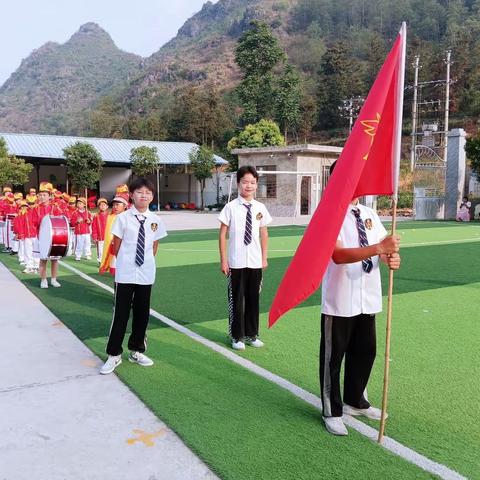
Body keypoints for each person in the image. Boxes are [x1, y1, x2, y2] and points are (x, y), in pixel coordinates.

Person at [319, 162, 401, 436]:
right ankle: (331, 410)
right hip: (340, 298)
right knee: (334, 358)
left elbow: (382, 248)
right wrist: (379, 247)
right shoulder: (329, 214)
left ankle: (355, 401)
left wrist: (390, 256)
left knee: (365, 352)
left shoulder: (369, 214)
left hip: (367, 296)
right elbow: (338, 255)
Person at [99, 177, 167, 375]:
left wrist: (143, 261)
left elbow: (154, 246)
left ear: (152, 196)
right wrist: (126, 262)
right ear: (131, 195)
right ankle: (114, 354)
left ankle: (137, 350)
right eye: (139, 192)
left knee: (142, 313)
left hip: (146, 273)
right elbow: (117, 244)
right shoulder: (123, 218)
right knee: (120, 313)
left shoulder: (156, 220)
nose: (143, 195)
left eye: (148, 193)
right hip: (126, 272)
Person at [218, 165, 272, 351]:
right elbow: (222, 234)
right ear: (238, 184)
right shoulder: (231, 207)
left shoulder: (260, 208)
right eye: (245, 182)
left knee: (253, 300)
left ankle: (251, 334)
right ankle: (237, 336)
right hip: (236, 262)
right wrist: (224, 260)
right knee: (237, 300)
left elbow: (264, 234)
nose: (248, 186)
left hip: (255, 262)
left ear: (256, 185)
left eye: (252, 182)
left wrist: (264, 258)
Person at [31, 181, 63, 288]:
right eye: (40, 195)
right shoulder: (36, 208)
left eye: (44, 195)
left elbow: (62, 218)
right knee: (43, 259)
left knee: (54, 259)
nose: (42, 197)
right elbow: (34, 222)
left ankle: (54, 279)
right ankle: (43, 280)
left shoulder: (55, 207)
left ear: (50, 196)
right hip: (41, 237)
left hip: (54, 237)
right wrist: (43, 220)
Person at [99, 185, 129, 276]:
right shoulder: (111, 217)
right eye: (114, 205)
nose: (115, 207)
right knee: (115, 269)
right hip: (114, 247)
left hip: (126, 248)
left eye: (117, 205)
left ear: (125, 206)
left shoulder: (129, 218)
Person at [92, 197, 109, 264]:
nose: (102, 206)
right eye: (101, 205)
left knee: (109, 250)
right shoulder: (96, 216)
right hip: (100, 237)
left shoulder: (110, 215)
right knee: (100, 250)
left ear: (107, 206)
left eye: (104, 205)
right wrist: (94, 236)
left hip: (108, 236)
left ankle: (108, 262)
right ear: (98, 207)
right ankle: (100, 261)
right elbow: (94, 227)